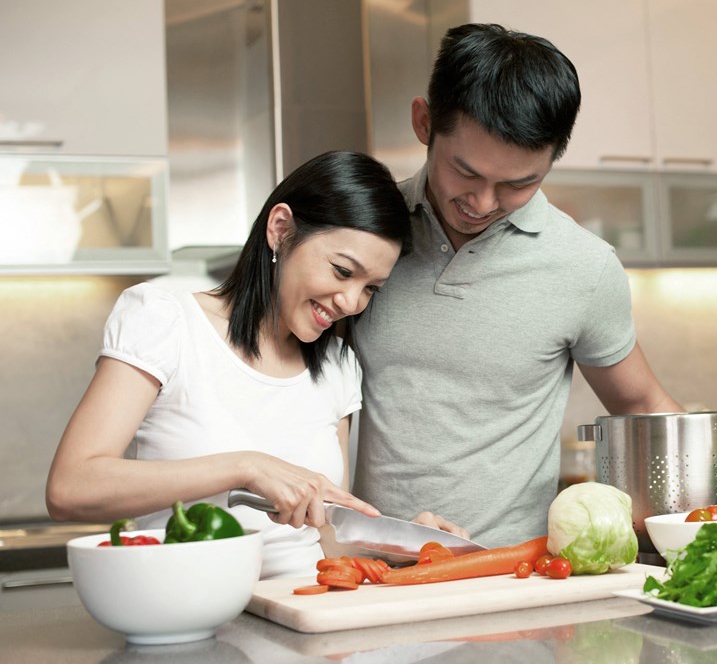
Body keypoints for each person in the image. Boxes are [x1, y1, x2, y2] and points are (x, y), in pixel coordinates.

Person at [46, 151, 465, 578]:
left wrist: (403, 545)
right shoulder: (165, 321)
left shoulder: (338, 367)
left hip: (302, 617)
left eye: (371, 288)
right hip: (187, 608)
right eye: (342, 271)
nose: (350, 302)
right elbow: (70, 487)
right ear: (281, 229)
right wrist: (246, 466)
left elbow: (323, 535)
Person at [351, 24, 682, 549]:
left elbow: (641, 403)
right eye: (465, 172)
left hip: (514, 574)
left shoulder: (584, 267)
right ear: (423, 122)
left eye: (519, 184)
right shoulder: (361, 239)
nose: (482, 203)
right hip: (362, 569)